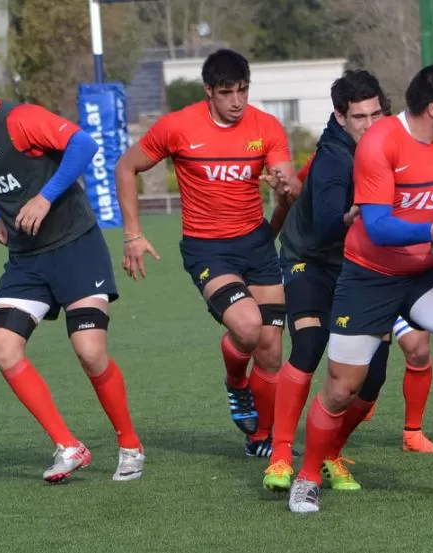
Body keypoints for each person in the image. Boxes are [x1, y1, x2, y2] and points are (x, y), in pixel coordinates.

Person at [288, 64, 433, 514]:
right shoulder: (380, 142)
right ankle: (306, 475)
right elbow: (376, 227)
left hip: (425, 271)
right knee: (342, 389)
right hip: (369, 274)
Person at [0, 81, 145, 483]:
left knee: (89, 351)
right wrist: (0, 214)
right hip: (27, 261)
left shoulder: (21, 120)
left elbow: (83, 145)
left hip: (76, 248)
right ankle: (69, 446)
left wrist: (45, 197)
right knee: (2, 346)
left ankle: (130, 445)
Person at [115, 49, 301, 456]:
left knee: (271, 350)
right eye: (227, 92)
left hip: (256, 244)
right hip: (207, 249)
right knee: (249, 328)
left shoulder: (266, 127)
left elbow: (288, 181)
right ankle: (236, 384)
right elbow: (126, 166)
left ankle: (261, 438)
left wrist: (285, 188)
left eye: (243, 91)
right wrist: (133, 235)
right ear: (208, 92)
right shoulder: (178, 127)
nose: (237, 101)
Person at [263, 71, 433, 494]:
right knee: (308, 345)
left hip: (361, 267)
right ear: (340, 117)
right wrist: (353, 217)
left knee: (372, 377)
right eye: (359, 116)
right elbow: (327, 219)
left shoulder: (395, 144)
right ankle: (281, 453)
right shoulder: (334, 160)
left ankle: (330, 451)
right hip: (310, 259)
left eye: (377, 113)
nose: (369, 123)